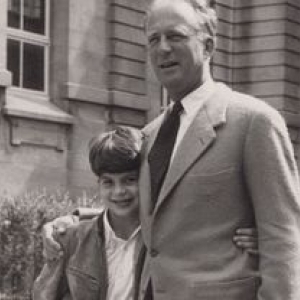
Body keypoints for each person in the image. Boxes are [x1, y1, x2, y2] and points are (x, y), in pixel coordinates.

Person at [42, 0, 300, 299]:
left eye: (175, 36)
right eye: (154, 39)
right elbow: (158, 211)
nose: (162, 48)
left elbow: (283, 235)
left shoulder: (253, 121)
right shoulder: (151, 134)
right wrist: (71, 223)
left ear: (208, 46)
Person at [33, 126, 145, 300]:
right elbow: (44, 295)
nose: (119, 191)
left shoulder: (158, 240)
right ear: (98, 183)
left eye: (129, 180)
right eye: (108, 182)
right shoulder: (71, 239)